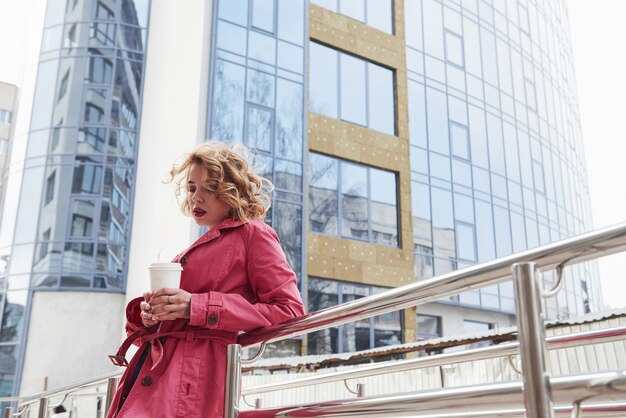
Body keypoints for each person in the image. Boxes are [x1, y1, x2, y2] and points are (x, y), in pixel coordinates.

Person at [106, 142, 305, 418]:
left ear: (232, 190)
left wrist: (197, 307)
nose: (196, 198)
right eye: (191, 188)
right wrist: (149, 316)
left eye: (209, 188)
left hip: (192, 382)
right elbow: (157, 333)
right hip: (154, 377)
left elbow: (289, 310)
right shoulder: (191, 250)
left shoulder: (253, 234)